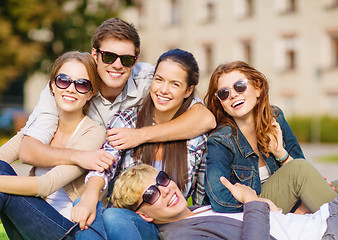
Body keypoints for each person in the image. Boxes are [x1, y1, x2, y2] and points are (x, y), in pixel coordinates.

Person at [0, 17, 215, 173]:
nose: (117, 65)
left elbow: (205, 119)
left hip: (117, 185)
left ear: (136, 59)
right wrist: (83, 158)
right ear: (95, 54)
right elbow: (27, 147)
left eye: (127, 59)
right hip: (72, 180)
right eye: (109, 56)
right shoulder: (69, 84)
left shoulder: (152, 80)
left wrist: (140, 135)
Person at [71, 49, 208, 240]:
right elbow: (104, 164)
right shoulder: (128, 120)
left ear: (188, 91)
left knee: (110, 216)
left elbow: (202, 198)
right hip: (124, 222)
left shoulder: (196, 138)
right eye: (159, 79)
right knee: (89, 209)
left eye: (175, 84)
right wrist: (89, 197)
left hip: (170, 230)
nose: (163, 90)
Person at [203, 61, 338, 214]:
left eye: (239, 86)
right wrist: (260, 203)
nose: (233, 94)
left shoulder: (275, 118)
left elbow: (302, 168)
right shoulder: (220, 141)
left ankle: (302, 216)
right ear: (220, 102)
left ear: (258, 88)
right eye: (224, 93)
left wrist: (280, 153)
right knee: (299, 170)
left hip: (286, 201)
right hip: (254, 211)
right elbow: (219, 200)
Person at [0, 51, 107, 239]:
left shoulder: (93, 133)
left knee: (4, 192)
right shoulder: (45, 125)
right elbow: (3, 157)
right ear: (53, 86)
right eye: (64, 80)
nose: (71, 89)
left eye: (82, 84)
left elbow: (46, 185)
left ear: (91, 93)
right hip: (31, 222)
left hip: (66, 231)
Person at [112, 164, 338, 240]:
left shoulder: (198, 210)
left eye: (162, 179)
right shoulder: (183, 236)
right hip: (323, 232)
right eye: (151, 194)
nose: (166, 189)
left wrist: (289, 212)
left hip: (317, 220)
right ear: (144, 215)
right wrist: (252, 202)